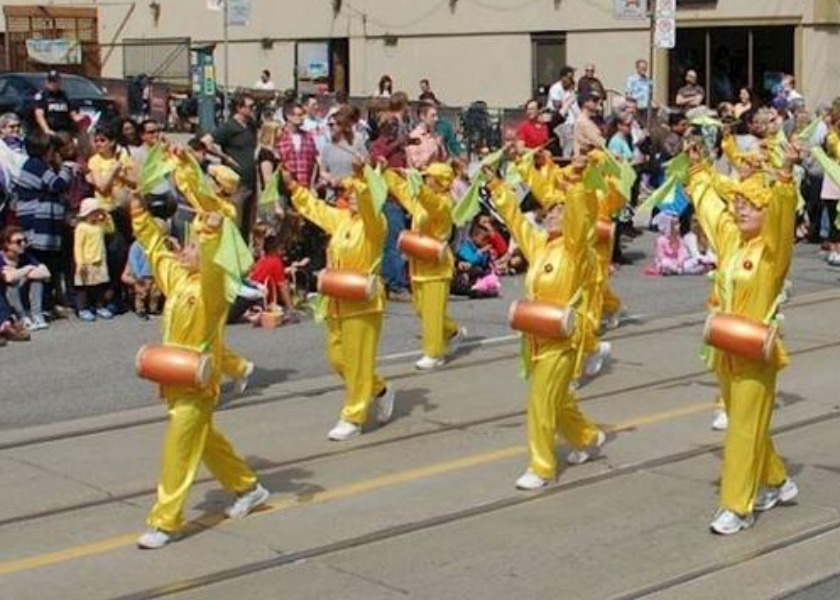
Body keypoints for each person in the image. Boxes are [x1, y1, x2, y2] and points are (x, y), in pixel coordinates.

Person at [131, 186, 269, 550]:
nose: (183, 250)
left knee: (179, 446)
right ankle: (248, 487)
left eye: (191, 247)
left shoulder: (214, 289)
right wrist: (138, 212)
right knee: (204, 440)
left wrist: (209, 235)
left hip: (197, 382)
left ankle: (165, 521)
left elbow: (212, 265)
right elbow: (156, 249)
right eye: (187, 245)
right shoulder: (177, 279)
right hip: (172, 377)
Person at [685, 139, 799, 535]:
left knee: (741, 430)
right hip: (725, 350)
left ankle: (737, 506)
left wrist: (785, 180)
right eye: (739, 203)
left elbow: (784, 219)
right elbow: (712, 211)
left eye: (750, 205)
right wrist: (698, 170)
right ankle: (777, 480)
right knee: (744, 422)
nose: (740, 208)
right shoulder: (732, 241)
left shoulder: (773, 251)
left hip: (755, 354)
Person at [485, 156, 607, 490]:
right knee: (559, 399)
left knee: (540, 402)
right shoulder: (540, 245)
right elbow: (516, 222)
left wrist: (577, 187)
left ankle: (541, 465)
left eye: (561, 209)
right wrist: (497, 187)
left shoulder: (576, 249)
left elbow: (582, 220)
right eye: (550, 209)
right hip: (536, 335)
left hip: (563, 338)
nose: (553, 214)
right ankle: (588, 437)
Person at [281, 164, 396, 441]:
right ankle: (380, 389)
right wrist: (294, 187)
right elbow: (317, 210)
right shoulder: (342, 219)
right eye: (350, 191)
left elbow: (368, 205)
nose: (352, 195)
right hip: (336, 299)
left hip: (363, 302)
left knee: (357, 361)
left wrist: (364, 179)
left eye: (358, 191)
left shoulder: (375, 224)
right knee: (337, 359)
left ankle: (353, 416)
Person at [384, 162, 465, 370]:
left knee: (431, 313)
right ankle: (452, 331)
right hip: (419, 264)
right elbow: (403, 192)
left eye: (429, 177)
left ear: (440, 181)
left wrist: (416, 184)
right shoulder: (421, 200)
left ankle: (434, 353)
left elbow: (431, 203)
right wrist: (389, 172)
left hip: (437, 266)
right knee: (422, 310)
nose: (426, 179)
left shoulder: (444, 203)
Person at [13, 133, 74, 311]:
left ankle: (47, 303)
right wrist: (66, 168)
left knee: (49, 264)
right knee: (39, 264)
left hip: (46, 223)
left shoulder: (41, 166)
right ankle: (35, 306)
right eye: (53, 149)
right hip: (36, 224)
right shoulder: (35, 166)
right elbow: (59, 185)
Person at [202, 94, 258, 238]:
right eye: (250, 106)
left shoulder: (251, 125)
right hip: (236, 182)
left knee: (248, 223)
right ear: (239, 108)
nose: (253, 109)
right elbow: (206, 141)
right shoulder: (229, 126)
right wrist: (224, 157)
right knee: (235, 221)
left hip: (251, 180)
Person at [369, 113, 411, 302]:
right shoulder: (378, 145)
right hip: (387, 199)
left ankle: (392, 281)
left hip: (400, 198)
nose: (395, 128)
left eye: (396, 125)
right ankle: (395, 284)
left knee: (397, 243)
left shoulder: (400, 148)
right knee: (392, 244)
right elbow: (376, 159)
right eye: (391, 125)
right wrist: (396, 145)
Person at [0, 225, 51, 330]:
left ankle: (36, 315)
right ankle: (22, 318)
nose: (23, 244)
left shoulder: (24, 255)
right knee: (12, 283)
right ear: (7, 244)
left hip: (22, 294)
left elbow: (46, 272)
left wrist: (18, 272)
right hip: (5, 300)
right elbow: (8, 278)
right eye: (18, 242)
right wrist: (27, 268)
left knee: (37, 279)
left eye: (25, 240)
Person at [74, 197, 115, 322]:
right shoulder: (81, 227)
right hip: (86, 262)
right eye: (95, 212)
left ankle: (99, 306)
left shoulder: (99, 225)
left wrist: (107, 217)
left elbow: (110, 229)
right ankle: (82, 309)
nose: (98, 214)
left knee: (99, 286)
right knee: (84, 287)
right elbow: (78, 246)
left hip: (100, 261)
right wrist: (80, 262)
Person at [275, 101, 319, 188]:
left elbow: (315, 162)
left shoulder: (308, 137)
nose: (303, 118)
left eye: (303, 115)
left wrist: (312, 184)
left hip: (305, 188)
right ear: (288, 116)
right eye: (299, 115)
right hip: (285, 189)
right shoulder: (279, 137)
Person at [122, 234, 162, 320]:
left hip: (154, 273)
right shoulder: (136, 245)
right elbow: (133, 260)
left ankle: (153, 309)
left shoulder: (156, 245)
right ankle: (140, 309)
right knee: (141, 292)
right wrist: (137, 274)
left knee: (155, 293)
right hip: (142, 274)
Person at [32, 70, 81, 136]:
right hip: (48, 130)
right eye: (51, 81)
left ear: (59, 82)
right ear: (47, 82)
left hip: (63, 130)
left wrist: (82, 120)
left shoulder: (64, 96)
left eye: (55, 81)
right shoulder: (42, 96)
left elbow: (72, 113)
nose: (53, 84)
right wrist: (47, 130)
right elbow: (39, 115)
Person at [548, 66, 579, 157]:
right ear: (563, 77)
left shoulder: (570, 90)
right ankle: (566, 160)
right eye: (569, 77)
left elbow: (575, 106)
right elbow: (557, 106)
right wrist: (568, 100)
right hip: (559, 121)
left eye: (572, 77)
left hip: (572, 122)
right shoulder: (556, 88)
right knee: (568, 141)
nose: (571, 80)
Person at [406, 103, 446, 169]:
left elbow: (443, 159)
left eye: (436, 116)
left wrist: (440, 147)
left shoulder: (434, 135)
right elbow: (416, 163)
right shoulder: (414, 136)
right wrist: (432, 150)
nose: (436, 119)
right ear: (422, 116)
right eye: (432, 116)